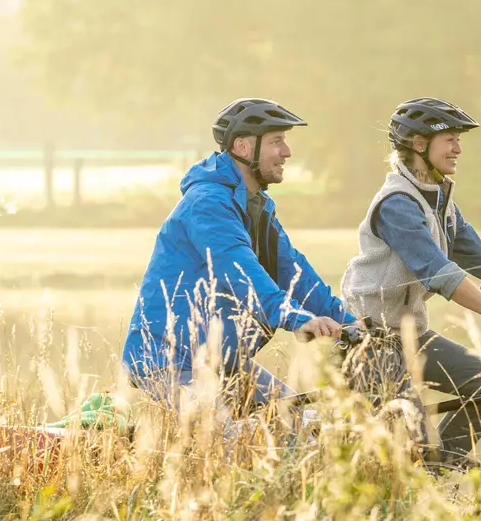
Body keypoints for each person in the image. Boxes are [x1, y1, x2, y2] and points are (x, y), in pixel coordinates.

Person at [339, 97, 481, 467]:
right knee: (410, 445)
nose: (458, 149)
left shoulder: (440, 200)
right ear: (419, 144)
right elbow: (440, 273)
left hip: (410, 335)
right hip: (370, 340)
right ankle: (418, 483)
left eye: (459, 140)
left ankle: (437, 473)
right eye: (450, 139)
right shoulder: (397, 203)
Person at [122, 98, 352, 413]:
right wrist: (297, 318)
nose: (287, 152)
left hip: (221, 361)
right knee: (229, 445)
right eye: (276, 142)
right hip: (170, 360)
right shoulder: (207, 203)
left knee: (299, 424)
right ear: (243, 148)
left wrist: (353, 325)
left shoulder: (256, 207)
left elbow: (294, 272)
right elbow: (240, 272)